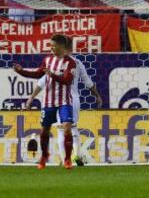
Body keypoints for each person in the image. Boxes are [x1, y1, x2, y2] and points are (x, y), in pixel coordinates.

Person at [31, 36, 102, 166]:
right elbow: (87, 82)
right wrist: (97, 95)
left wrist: (31, 97)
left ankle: (66, 159)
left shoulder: (56, 62)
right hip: (74, 99)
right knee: (72, 128)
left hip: (62, 98)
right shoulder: (77, 62)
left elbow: (41, 83)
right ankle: (77, 155)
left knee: (60, 130)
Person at [14, 34, 76, 170]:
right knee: (44, 130)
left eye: (54, 45)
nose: (51, 48)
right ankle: (44, 156)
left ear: (62, 46)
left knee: (67, 127)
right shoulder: (47, 60)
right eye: (50, 45)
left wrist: (52, 74)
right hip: (48, 102)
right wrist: (21, 72)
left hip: (64, 101)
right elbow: (37, 74)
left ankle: (67, 159)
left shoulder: (70, 62)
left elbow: (67, 80)